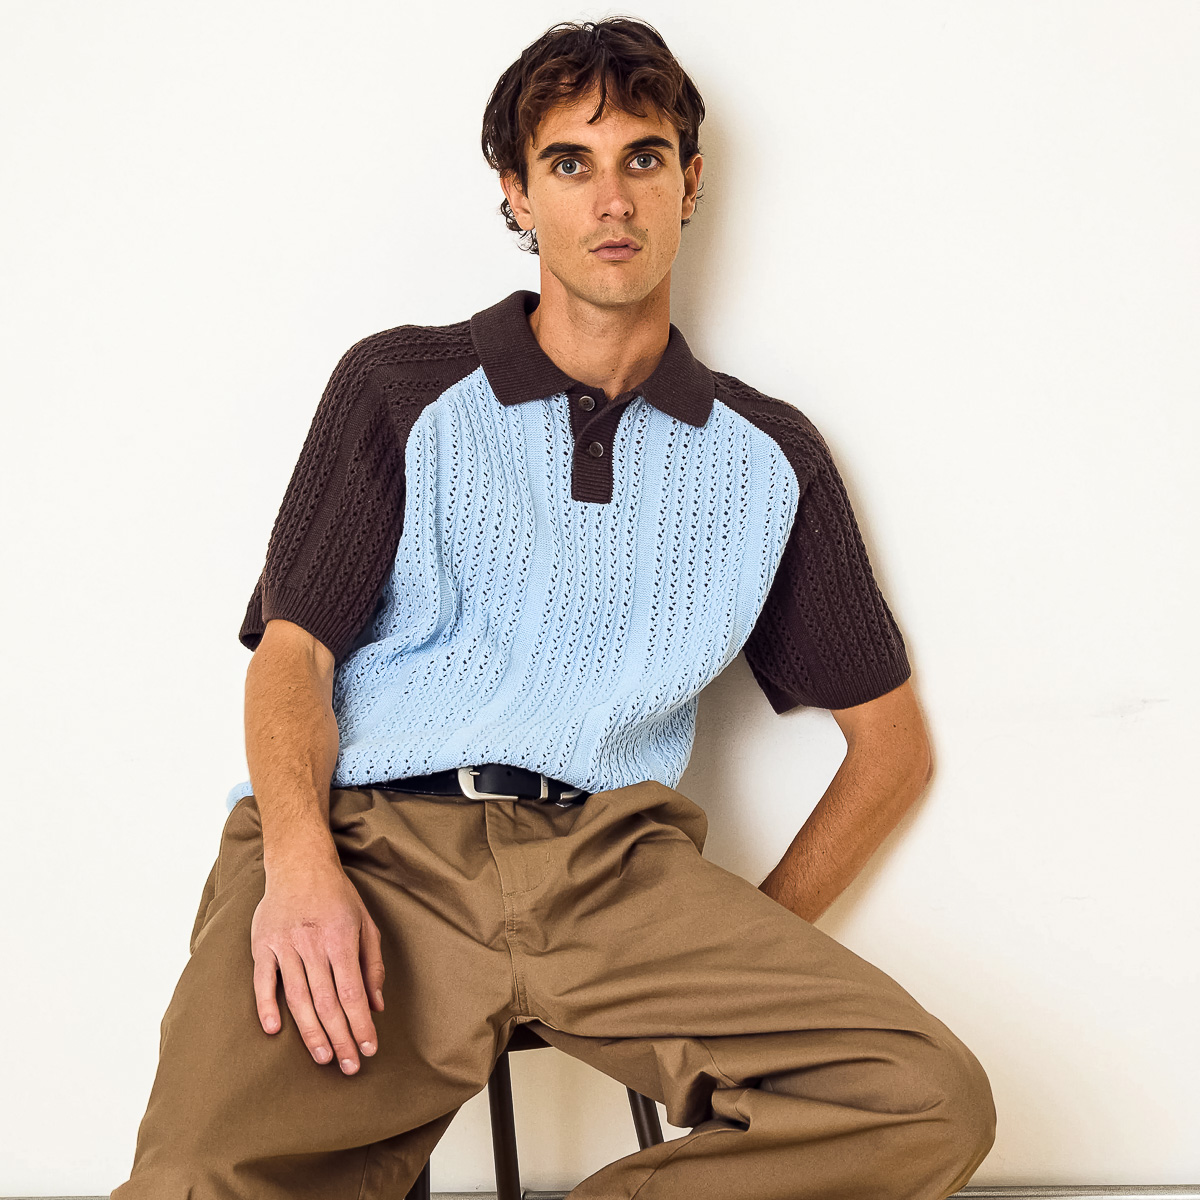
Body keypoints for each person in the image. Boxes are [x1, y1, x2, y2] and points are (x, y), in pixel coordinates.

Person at [111, 16, 996, 1200]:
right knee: (193, 1180)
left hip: (614, 870)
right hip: (378, 846)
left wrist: (751, 940)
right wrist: (301, 863)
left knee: (925, 1098)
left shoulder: (770, 456)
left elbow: (891, 748)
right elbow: (293, 657)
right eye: (570, 163)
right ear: (518, 194)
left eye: (643, 157)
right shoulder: (401, 385)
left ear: (689, 184)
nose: (612, 198)